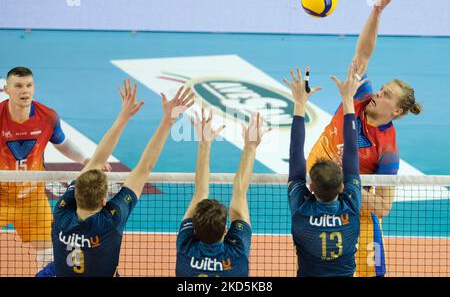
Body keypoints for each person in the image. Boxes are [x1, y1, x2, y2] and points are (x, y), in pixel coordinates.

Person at [306, 0, 422, 277]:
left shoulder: (388, 151)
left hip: (355, 205)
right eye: (381, 89)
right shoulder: (358, 95)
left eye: (385, 95)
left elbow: (383, 207)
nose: (377, 94)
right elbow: (362, 54)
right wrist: (377, 12)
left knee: (375, 273)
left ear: (395, 111)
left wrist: (345, 187)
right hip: (317, 190)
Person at [50, 81, 194, 276]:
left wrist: (123, 116)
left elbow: (96, 161)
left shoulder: (61, 213)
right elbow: (144, 168)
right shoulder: (110, 221)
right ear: (103, 201)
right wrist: (167, 120)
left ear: (76, 194)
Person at [0, 67, 105, 273]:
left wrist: (86, 159)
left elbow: (62, 143)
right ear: (7, 90)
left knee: (50, 257)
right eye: (19, 86)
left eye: (29, 85)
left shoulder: (47, 116)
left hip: (32, 199)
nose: (25, 91)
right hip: (0, 196)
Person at [284, 60, 366, 276]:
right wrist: (348, 100)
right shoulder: (350, 206)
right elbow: (351, 152)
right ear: (341, 187)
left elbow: (295, 156)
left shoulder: (301, 211)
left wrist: (299, 104)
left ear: (311, 187)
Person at [176, 109, 268, 277]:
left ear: (194, 229)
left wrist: (205, 143)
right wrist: (251, 145)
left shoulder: (186, 248)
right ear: (225, 229)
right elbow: (239, 192)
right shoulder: (237, 253)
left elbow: (200, 193)